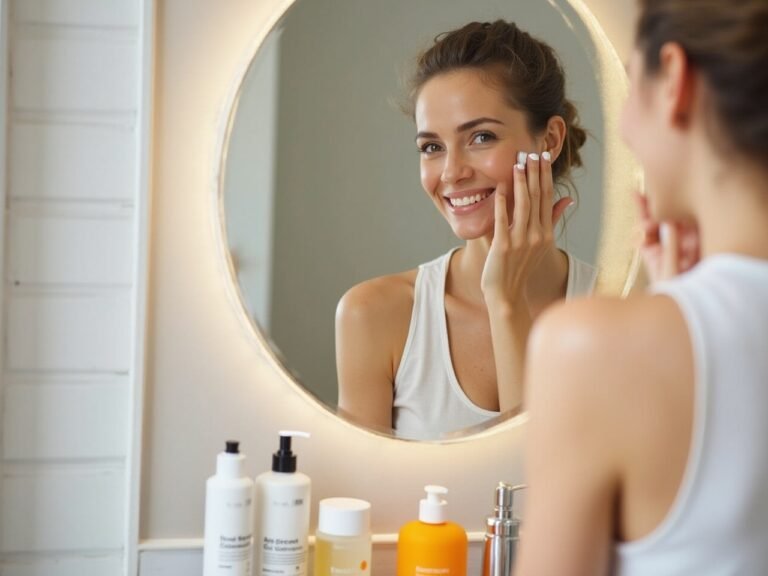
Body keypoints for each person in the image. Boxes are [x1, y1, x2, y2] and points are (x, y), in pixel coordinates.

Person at [511, 0, 768, 573]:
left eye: (634, 80)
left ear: (674, 79)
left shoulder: (595, 348)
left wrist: (668, 327)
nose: (623, 126)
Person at [335, 20, 596, 439]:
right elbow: (364, 497)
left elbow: (536, 481)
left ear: (549, 140)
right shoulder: (374, 315)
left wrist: (506, 301)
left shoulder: (618, 312)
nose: (452, 172)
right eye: (432, 148)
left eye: (480, 137)